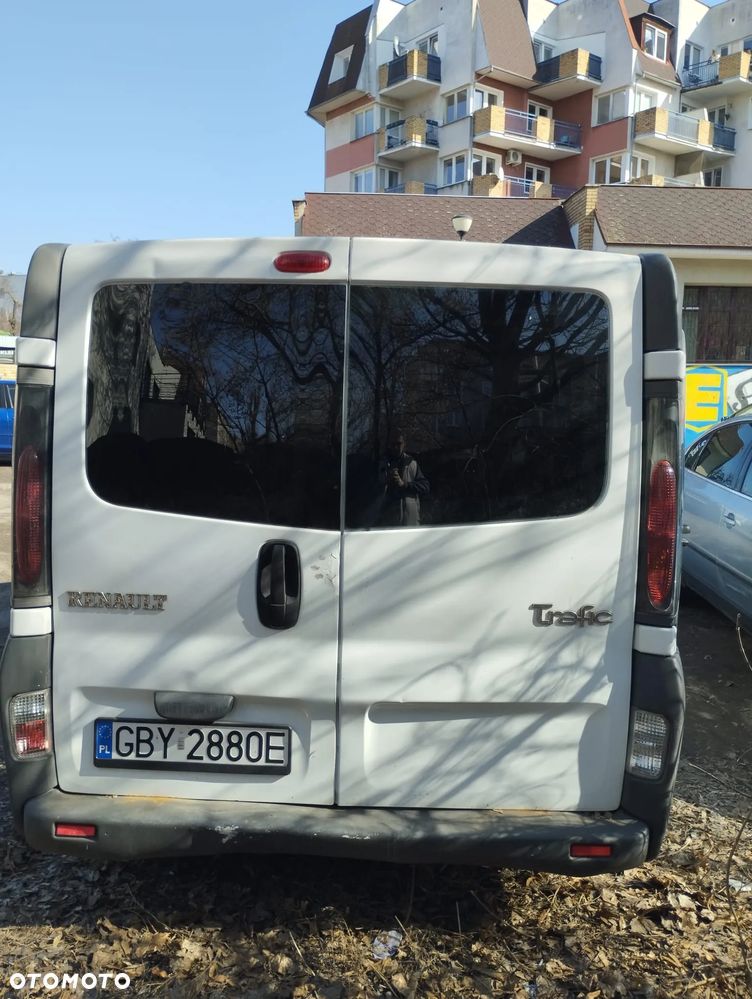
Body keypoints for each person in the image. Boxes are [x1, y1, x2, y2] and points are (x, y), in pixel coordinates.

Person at [378, 429, 430, 526]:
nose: (396, 447)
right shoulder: (381, 464)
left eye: (399, 443)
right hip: (387, 524)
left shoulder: (412, 463)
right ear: (389, 444)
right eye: (393, 444)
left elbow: (425, 486)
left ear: (404, 444)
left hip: (410, 524)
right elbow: (371, 493)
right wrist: (386, 481)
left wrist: (404, 485)